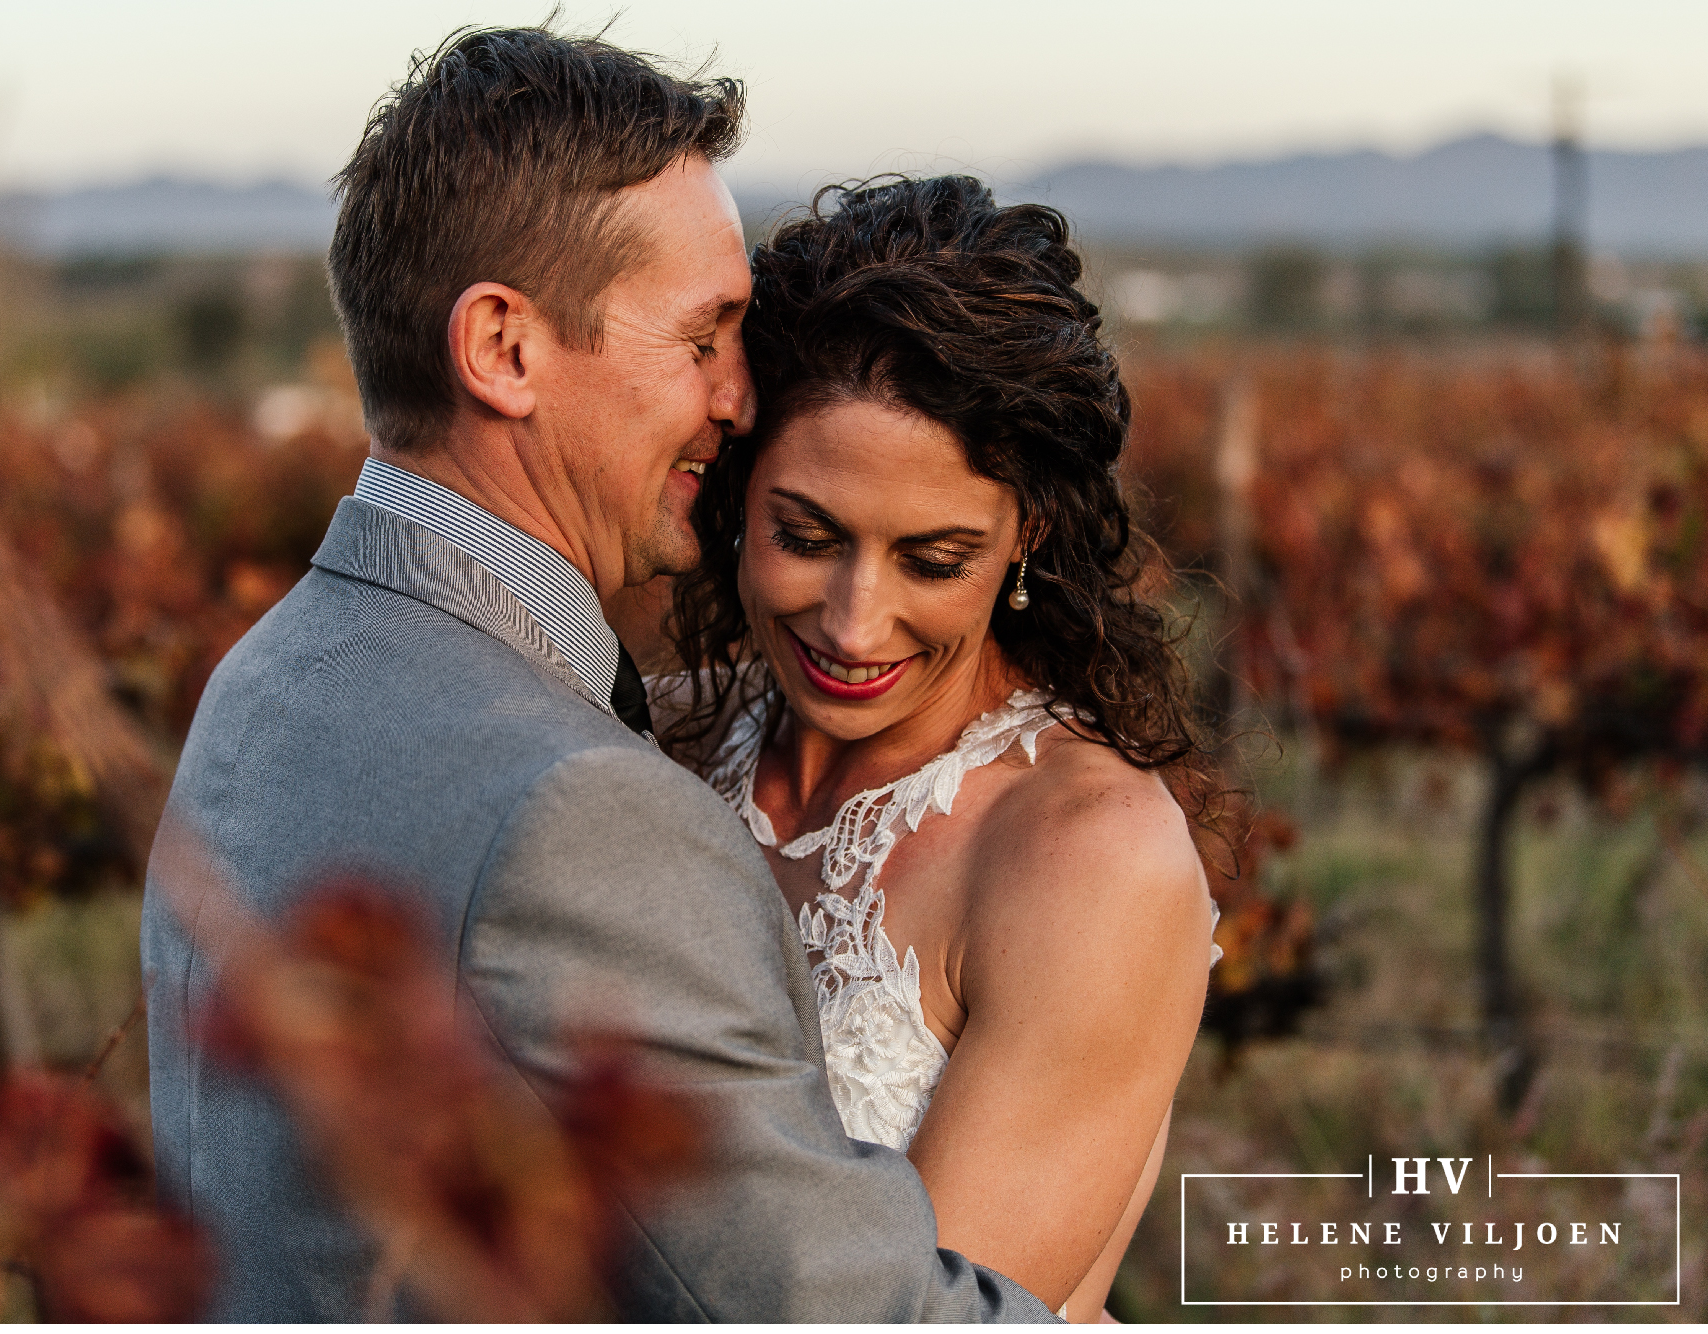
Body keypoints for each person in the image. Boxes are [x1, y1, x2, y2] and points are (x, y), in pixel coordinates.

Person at [140, 27, 1055, 1322]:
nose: (742, 398)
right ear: (503, 348)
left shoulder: (264, 677)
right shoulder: (579, 807)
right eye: (704, 337)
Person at [657, 175, 1222, 1321]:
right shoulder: (663, 738)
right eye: (805, 535)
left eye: (933, 559)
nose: (854, 623)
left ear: (1029, 534)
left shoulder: (1089, 857)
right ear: (737, 492)